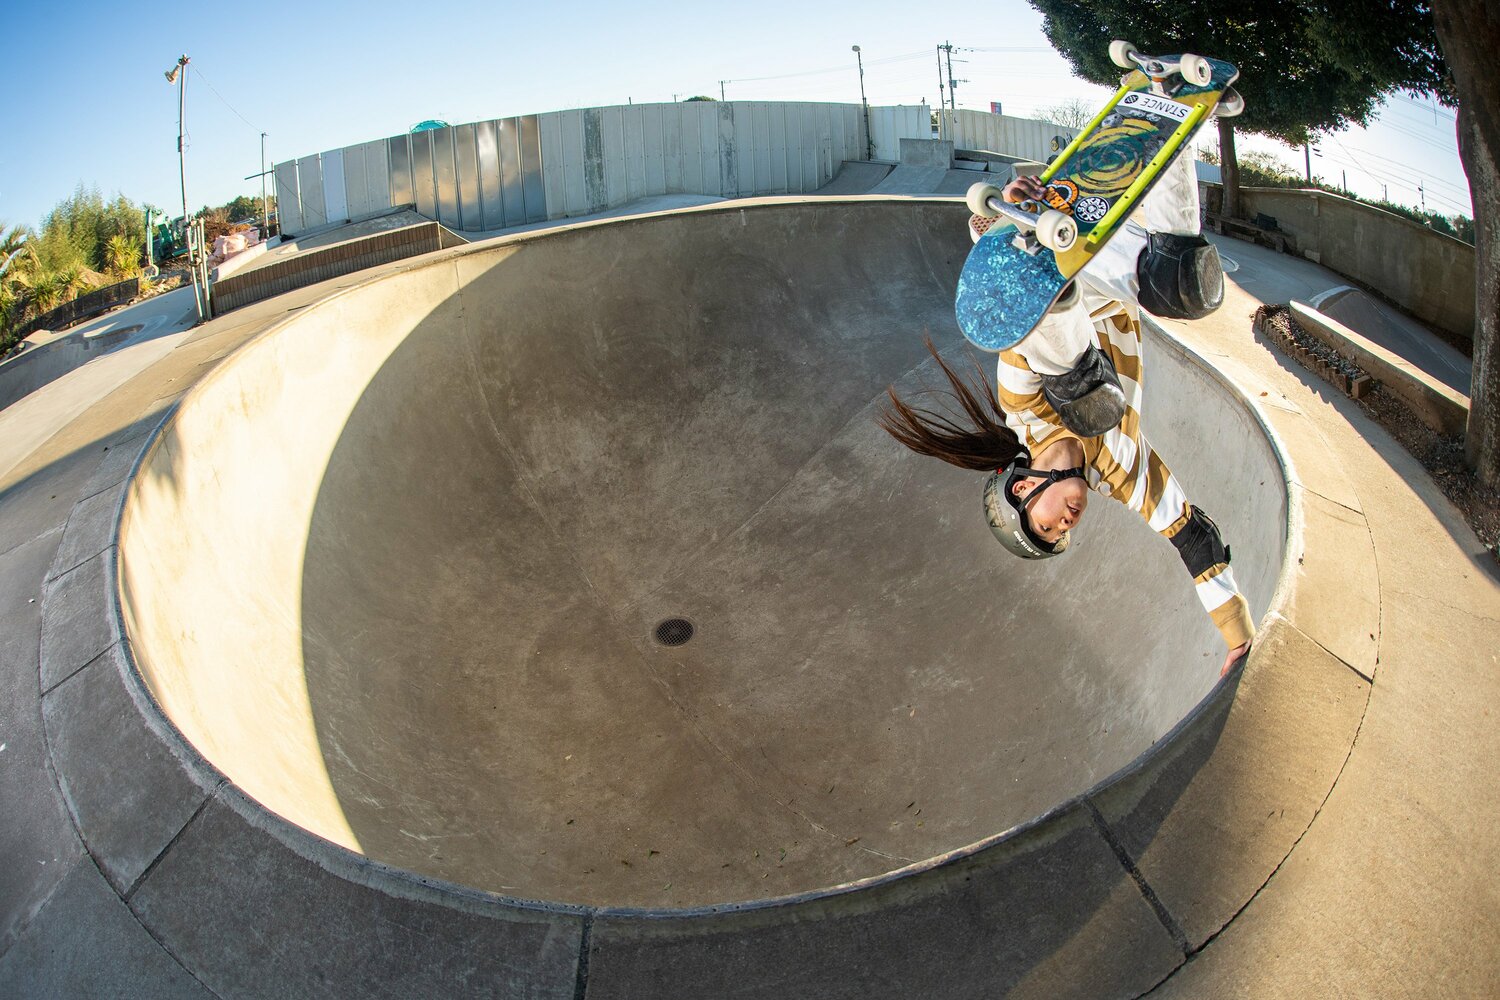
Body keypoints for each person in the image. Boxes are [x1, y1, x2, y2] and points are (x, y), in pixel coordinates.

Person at [880, 152, 1253, 676]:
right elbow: (1192, 536)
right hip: (1106, 273)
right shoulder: (1121, 475)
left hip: (1056, 282)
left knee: (1085, 400)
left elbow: (1018, 345)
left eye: (1047, 525)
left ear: (1022, 489)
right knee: (1188, 285)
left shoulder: (1023, 414)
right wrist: (1236, 631)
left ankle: (1026, 243)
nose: (1066, 527)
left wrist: (1014, 234)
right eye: (1063, 536)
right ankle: (1174, 108)